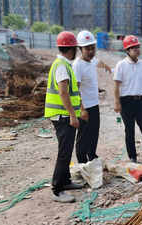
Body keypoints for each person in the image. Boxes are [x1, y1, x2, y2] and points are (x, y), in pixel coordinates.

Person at [44, 31, 84, 203]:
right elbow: (63, 93)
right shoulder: (61, 66)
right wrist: (73, 116)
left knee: (66, 151)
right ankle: (57, 190)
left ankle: (66, 181)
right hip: (62, 116)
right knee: (64, 153)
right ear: (72, 49)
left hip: (62, 115)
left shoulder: (63, 64)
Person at [113, 35, 142, 167]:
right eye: (133, 47)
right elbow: (116, 85)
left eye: (138, 47)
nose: (137, 49)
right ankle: (132, 157)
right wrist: (117, 102)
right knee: (130, 131)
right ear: (127, 50)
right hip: (126, 102)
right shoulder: (121, 65)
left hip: (140, 101)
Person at [73, 30, 112, 163]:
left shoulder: (91, 60)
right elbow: (75, 90)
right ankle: (82, 162)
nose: (91, 51)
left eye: (92, 48)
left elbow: (97, 62)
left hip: (94, 104)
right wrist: (82, 109)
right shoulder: (77, 66)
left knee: (94, 133)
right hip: (85, 107)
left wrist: (106, 66)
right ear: (80, 49)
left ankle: (92, 156)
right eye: (87, 48)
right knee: (83, 136)